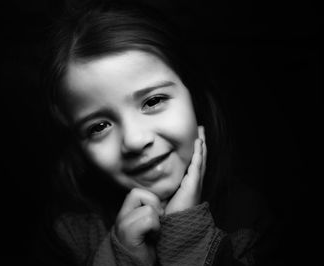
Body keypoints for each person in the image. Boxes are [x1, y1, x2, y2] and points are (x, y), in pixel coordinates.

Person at [40, 1, 277, 265]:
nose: (134, 140)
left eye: (153, 101)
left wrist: (187, 241)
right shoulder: (71, 233)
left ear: (193, 96)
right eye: (99, 126)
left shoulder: (248, 220)